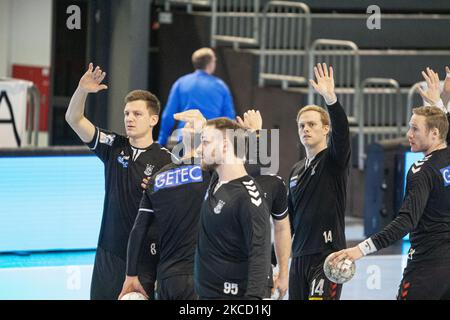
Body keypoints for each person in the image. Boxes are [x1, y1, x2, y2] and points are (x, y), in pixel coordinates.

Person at [330, 68, 450, 300]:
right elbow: (444, 128)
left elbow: (405, 221)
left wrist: (359, 249)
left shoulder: (421, 170)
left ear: (434, 133)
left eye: (415, 129)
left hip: (427, 268)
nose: (409, 134)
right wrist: (440, 101)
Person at [65, 63, 174, 300]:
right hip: (108, 252)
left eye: (137, 114)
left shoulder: (167, 161)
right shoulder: (113, 145)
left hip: (144, 258)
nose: (129, 119)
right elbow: (74, 118)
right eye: (126, 114)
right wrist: (81, 90)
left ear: (153, 119)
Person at [288, 63, 351, 300]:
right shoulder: (295, 171)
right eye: (301, 125)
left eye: (312, 124)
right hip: (299, 258)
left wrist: (331, 99)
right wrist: (277, 260)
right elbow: (289, 221)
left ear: (326, 129)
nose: (305, 129)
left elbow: (343, 134)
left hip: (328, 256)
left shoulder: (334, 160)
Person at [195, 117, 272, 300]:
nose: (198, 149)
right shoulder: (216, 180)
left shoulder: (248, 197)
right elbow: (241, 154)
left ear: (224, 147)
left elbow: (260, 254)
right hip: (205, 295)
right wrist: (252, 136)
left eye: (205, 142)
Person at [158, 47, 236, 147]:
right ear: (211, 63)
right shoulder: (220, 86)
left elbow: (168, 115)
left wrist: (161, 142)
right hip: (211, 140)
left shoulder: (181, 83)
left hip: (185, 138)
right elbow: (229, 118)